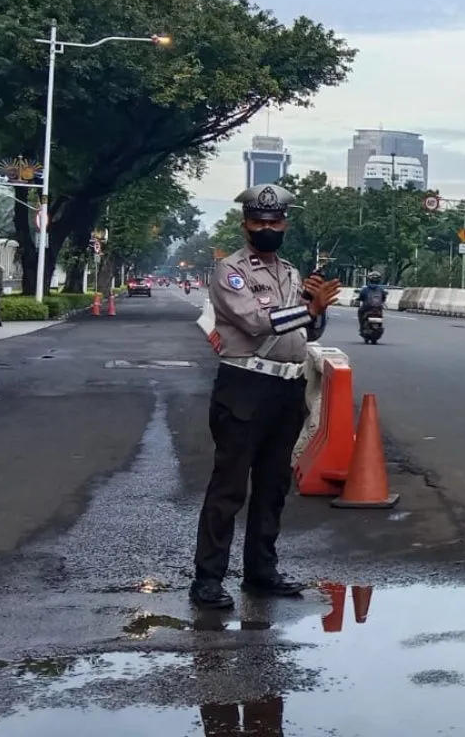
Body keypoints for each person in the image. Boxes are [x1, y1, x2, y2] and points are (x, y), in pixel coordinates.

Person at [190, 183, 342, 610]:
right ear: (246, 224)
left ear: (285, 224)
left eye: (275, 222)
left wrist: (317, 307)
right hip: (245, 385)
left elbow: (307, 332)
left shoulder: (291, 273)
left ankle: (261, 570)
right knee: (229, 486)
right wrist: (306, 310)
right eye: (259, 221)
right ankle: (207, 578)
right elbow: (257, 323)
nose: (267, 228)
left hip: (286, 386)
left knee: (274, 485)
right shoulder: (230, 271)